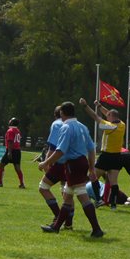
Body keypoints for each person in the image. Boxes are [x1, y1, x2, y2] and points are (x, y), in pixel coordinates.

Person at [37, 101, 105, 238]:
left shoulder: (66, 127)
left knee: (82, 196)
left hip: (72, 164)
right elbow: (91, 149)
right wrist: (91, 167)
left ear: (62, 113)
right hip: (82, 162)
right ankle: (56, 227)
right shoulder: (82, 127)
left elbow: (60, 150)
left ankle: (97, 229)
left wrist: (45, 163)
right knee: (67, 195)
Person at [80, 98, 125, 210]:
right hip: (117, 156)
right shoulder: (122, 124)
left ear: (111, 117)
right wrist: (100, 106)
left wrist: (86, 106)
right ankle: (113, 205)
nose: (106, 116)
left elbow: (96, 117)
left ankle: (99, 200)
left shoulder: (109, 126)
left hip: (106, 156)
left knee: (93, 176)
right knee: (114, 182)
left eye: (107, 116)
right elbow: (108, 114)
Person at [37, 105, 74, 230]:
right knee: (67, 191)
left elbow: (53, 146)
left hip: (59, 162)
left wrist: (46, 162)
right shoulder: (75, 124)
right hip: (73, 162)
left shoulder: (56, 124)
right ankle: (68, 223)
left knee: (43, 187)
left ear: (56, 114)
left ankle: (59, 217)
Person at [0, 118, 24, 188]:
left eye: (10, 120)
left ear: (12, 122)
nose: (9, 121)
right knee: (17, 168)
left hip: (11, 150)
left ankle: (0, 183)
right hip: (17, 151)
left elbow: (10, 141)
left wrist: (9, 152)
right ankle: (22, 184)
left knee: (1, 166)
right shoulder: (17, 130)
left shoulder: (10, 130)